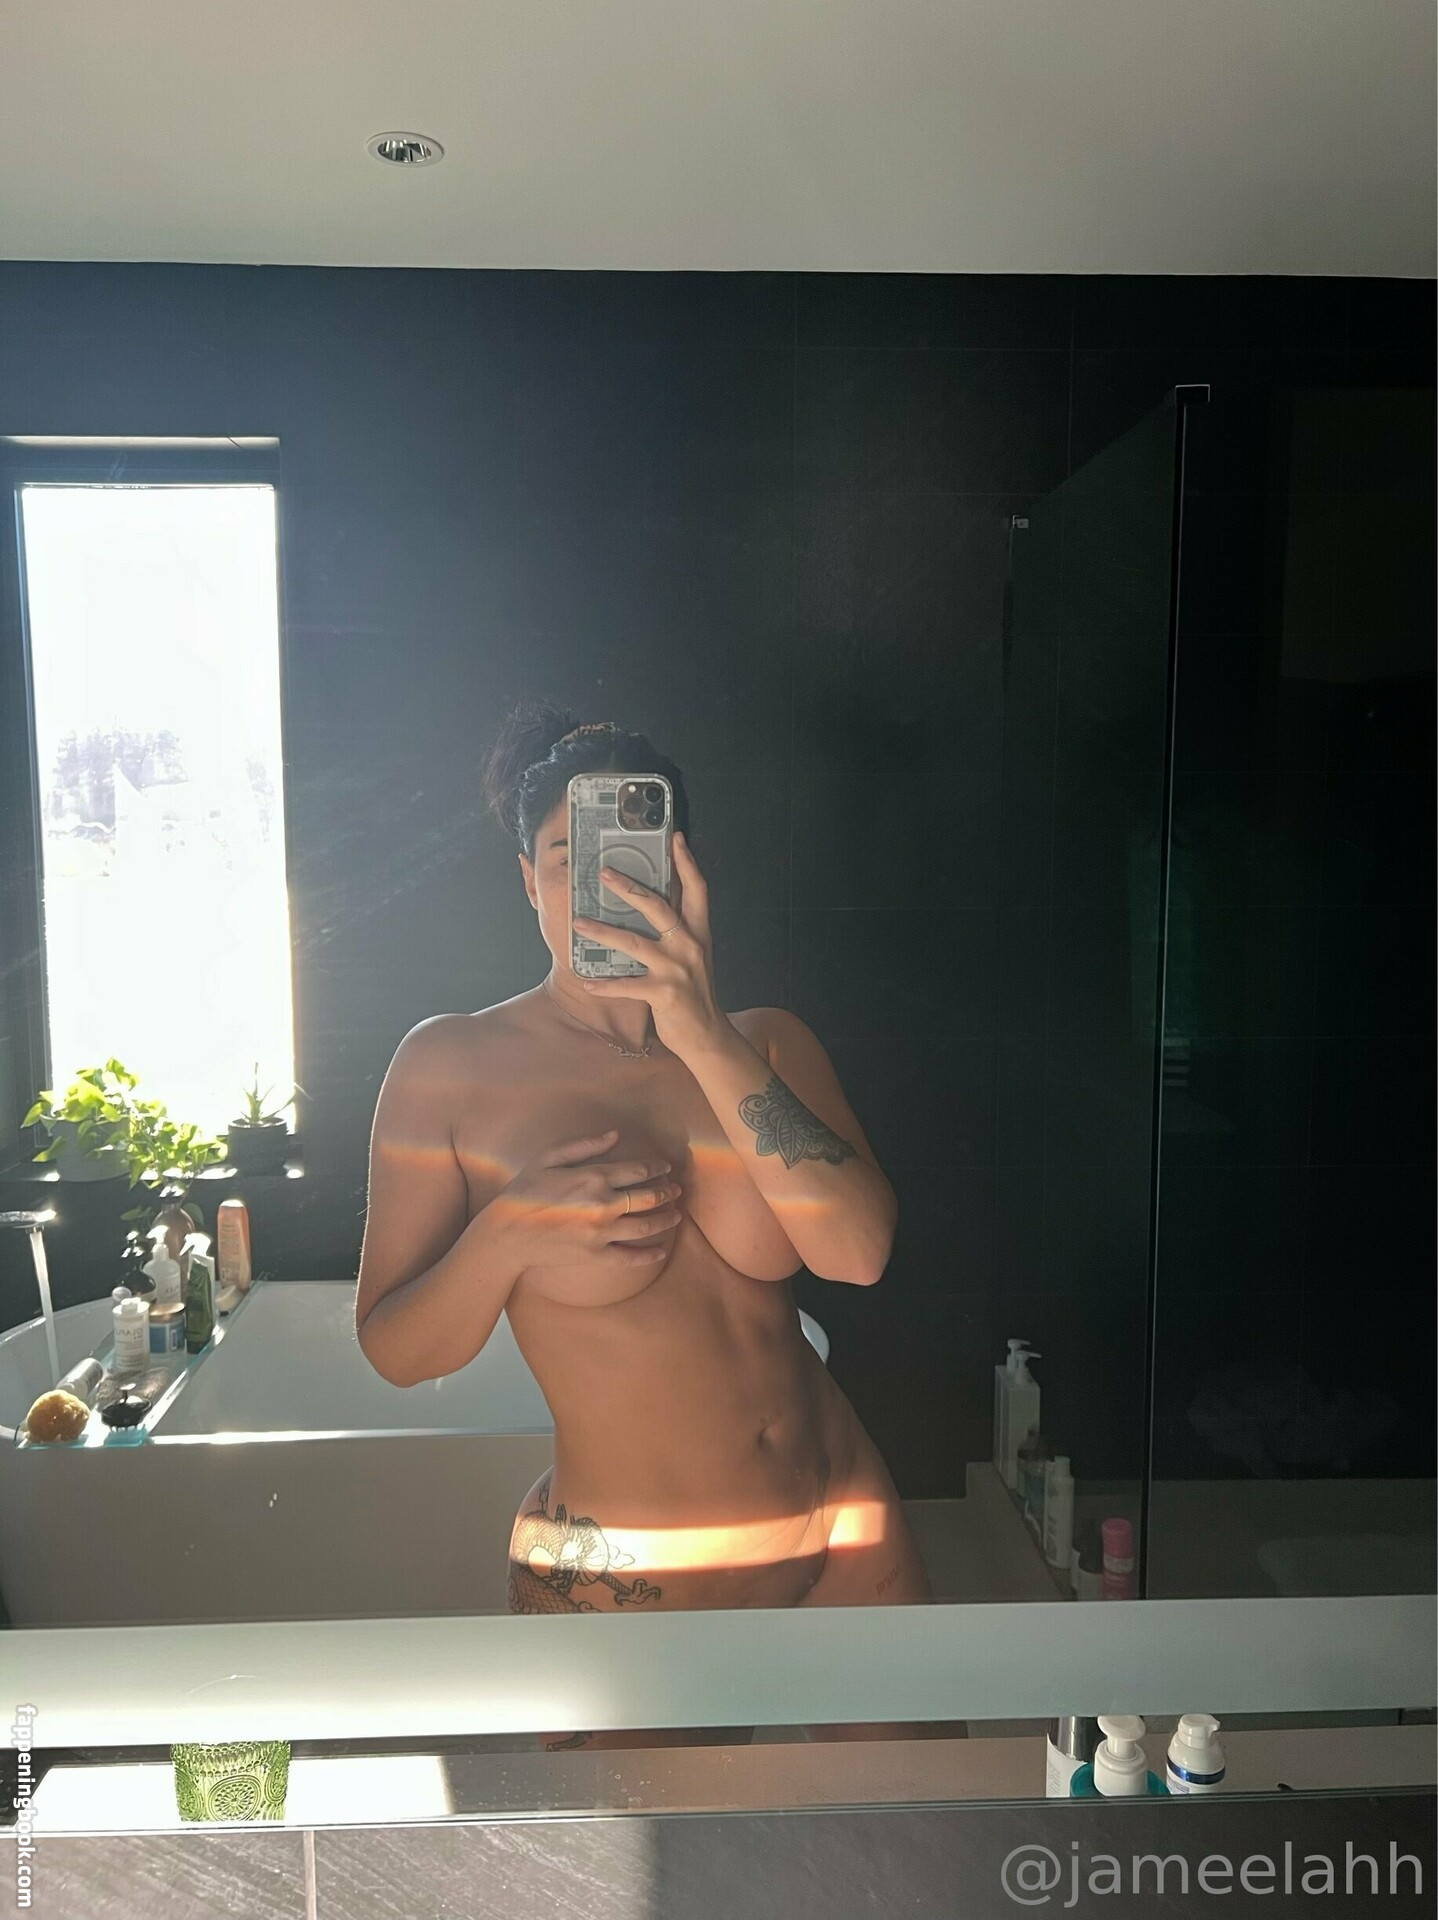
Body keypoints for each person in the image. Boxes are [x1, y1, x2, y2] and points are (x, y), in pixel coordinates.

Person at [355, 703, 941, 1747]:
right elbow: (395, 1350)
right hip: (637, 1584)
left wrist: (701, 1031)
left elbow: (859, 1254)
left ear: (682, 871)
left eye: (635, 859)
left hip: (844, 1529)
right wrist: (509, 1234)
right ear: (528, 881)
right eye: (568, 860)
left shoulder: (763, 1043)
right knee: (648, 1853)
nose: (606, 889)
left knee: (916, 1834)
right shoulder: (449, 1068)